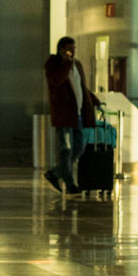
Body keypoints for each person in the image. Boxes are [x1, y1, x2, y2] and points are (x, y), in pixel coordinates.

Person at [43, 36, 97, 194]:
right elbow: (56, 81)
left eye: (74, 49)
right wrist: (66, 63)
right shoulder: (53, 64)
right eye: (69, 50)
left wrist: (93, 99)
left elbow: (81, 87)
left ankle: (54, 173)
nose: (72, 52)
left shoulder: (77, 65)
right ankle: (70, 184)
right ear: (61, 50)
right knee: (66, 150)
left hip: (77, 115)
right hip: (64, 115)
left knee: (79, 148)